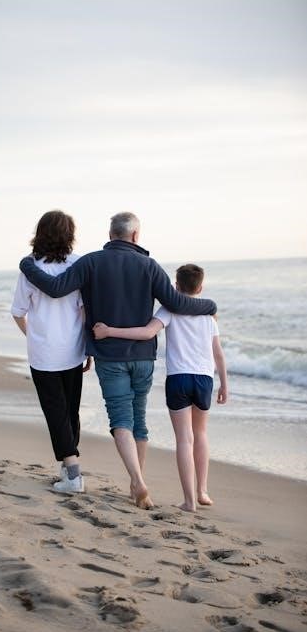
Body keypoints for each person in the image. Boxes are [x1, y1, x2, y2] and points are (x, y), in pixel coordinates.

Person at [20, 213, 217, 509]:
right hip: (143, 357)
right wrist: (209, 305)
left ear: (111, 234)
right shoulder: (150, 266)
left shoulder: (91, 262)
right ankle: (136, 482)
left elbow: (56, 288)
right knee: (139, 420)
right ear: (135, 236)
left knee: (121, 419)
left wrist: (26, 265)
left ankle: (137, 481)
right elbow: (177, 303)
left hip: (109, 356)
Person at [93, 263, 228, 512]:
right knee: (200, 434)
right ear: (200, 287)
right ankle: (202, 491)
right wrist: (224, 385)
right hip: (205, 379)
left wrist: (109, 331)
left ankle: (189, 502)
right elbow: (218, 353)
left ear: (175, 286)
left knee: (184, 439)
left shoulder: (170, 309)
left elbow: (147, 333)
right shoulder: (208, 316)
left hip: (179, 379)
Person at [11, 210, 92, 493]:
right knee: (70, 411)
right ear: (69, 234)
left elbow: (18, 311)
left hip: (43, 354)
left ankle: (72, 473)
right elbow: (85, 310)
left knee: (55, 411)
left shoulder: (30, 268)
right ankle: (69, 469)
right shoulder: (79, 264)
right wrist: (88, 348)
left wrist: (33, 335)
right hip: (73, 350)